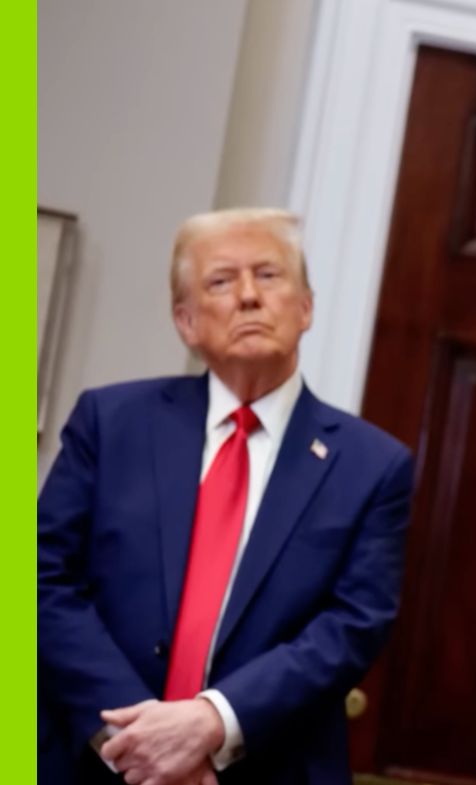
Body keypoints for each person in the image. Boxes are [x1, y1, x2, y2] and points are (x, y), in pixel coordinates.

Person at [39, 208, 414, 784]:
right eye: (220, 281)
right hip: (93, 761)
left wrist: (214, 722)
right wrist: (138, 743)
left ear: (306, 307)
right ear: (186, 321)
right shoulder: (111, 424)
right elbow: (40, 580)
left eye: (268, 274)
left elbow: (352, 626)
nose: (248, 296)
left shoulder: (372, 466)